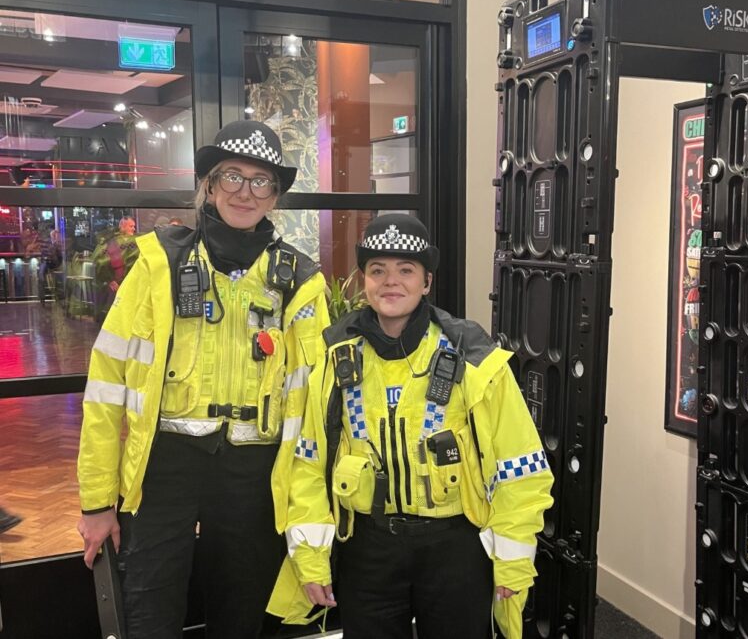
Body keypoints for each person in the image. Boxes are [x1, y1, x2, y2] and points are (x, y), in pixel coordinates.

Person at [77, 120, 329, 639]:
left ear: (275, 195)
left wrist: (308, 516)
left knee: (239, 618)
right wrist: (98, 503)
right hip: (164, 467)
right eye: (231, 176)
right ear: (209, 185)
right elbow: (105, 391)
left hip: (254, 473)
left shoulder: (301, 282)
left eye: (261, 181)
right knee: (149, 611)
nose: (244, 191)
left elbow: (315, 412)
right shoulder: (158, 265)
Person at [275, 215, 553, 639]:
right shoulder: (333, 360)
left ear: (426, 283)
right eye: (378, 270)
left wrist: (513, 563)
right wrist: (312, 558)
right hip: (367, 549)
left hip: (454, 548)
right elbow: (308, 466)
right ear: (363, 281)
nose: (391, 282)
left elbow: (521, 468)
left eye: (406, 270)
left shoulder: (474, 359)